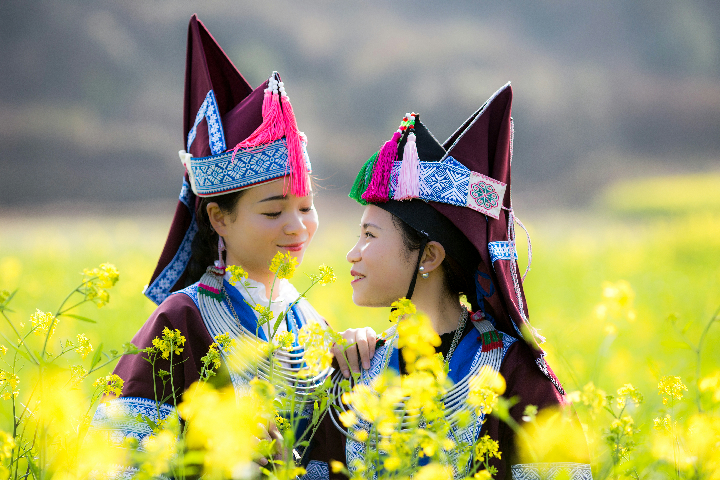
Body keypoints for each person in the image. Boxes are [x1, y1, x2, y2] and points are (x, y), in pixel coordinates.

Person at [91, 15, 372, 460]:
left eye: (305, 207)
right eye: (273, 211)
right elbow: (117, 463)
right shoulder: (181, 322)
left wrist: (359, 360)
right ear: (220, 219)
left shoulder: (311, 325)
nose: (297, 226)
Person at [304, 84, 592, 479]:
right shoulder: (355, 368)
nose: (352, 253)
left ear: (430, 256)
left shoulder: (516, 373)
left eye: (370, 236)